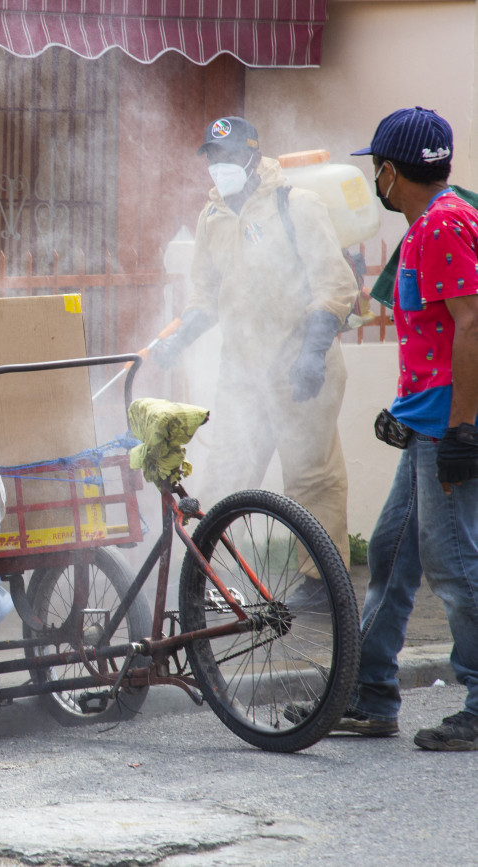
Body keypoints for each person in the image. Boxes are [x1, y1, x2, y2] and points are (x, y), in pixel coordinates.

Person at [154, 116, 358, 595]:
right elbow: (205, 297)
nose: (218, 166)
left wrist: (312, 354)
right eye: (212, 157)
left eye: (227, 156)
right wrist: (178, 340)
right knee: (226, 474)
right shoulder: (213, 216)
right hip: (243, 374)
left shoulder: (296, 204)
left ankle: (320, 586)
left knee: (311, 477)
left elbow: (334, 286)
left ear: (251, 155)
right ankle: (214, 578)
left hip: (300, 365)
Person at [333, 107, 478, 749]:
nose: (376, 180)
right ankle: (370, 696)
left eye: (376, 168)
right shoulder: (435, 223)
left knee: (453, 566)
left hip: (451, 427)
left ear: (390, 171)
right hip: (430, 421)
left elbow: (472, 324)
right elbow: (440, 338)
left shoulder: (443, 224)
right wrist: (405, 411)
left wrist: (462, 430)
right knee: (392, 554)